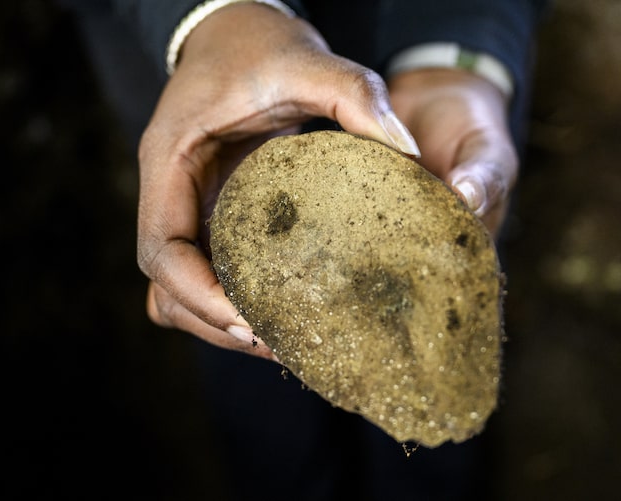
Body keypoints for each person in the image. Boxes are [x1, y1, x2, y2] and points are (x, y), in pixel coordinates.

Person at [59, 1, 547, 499]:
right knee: (247, 355)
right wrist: (215, 16)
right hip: (188, 80)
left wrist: (455, 61)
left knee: (436, 346)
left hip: (422, 68)